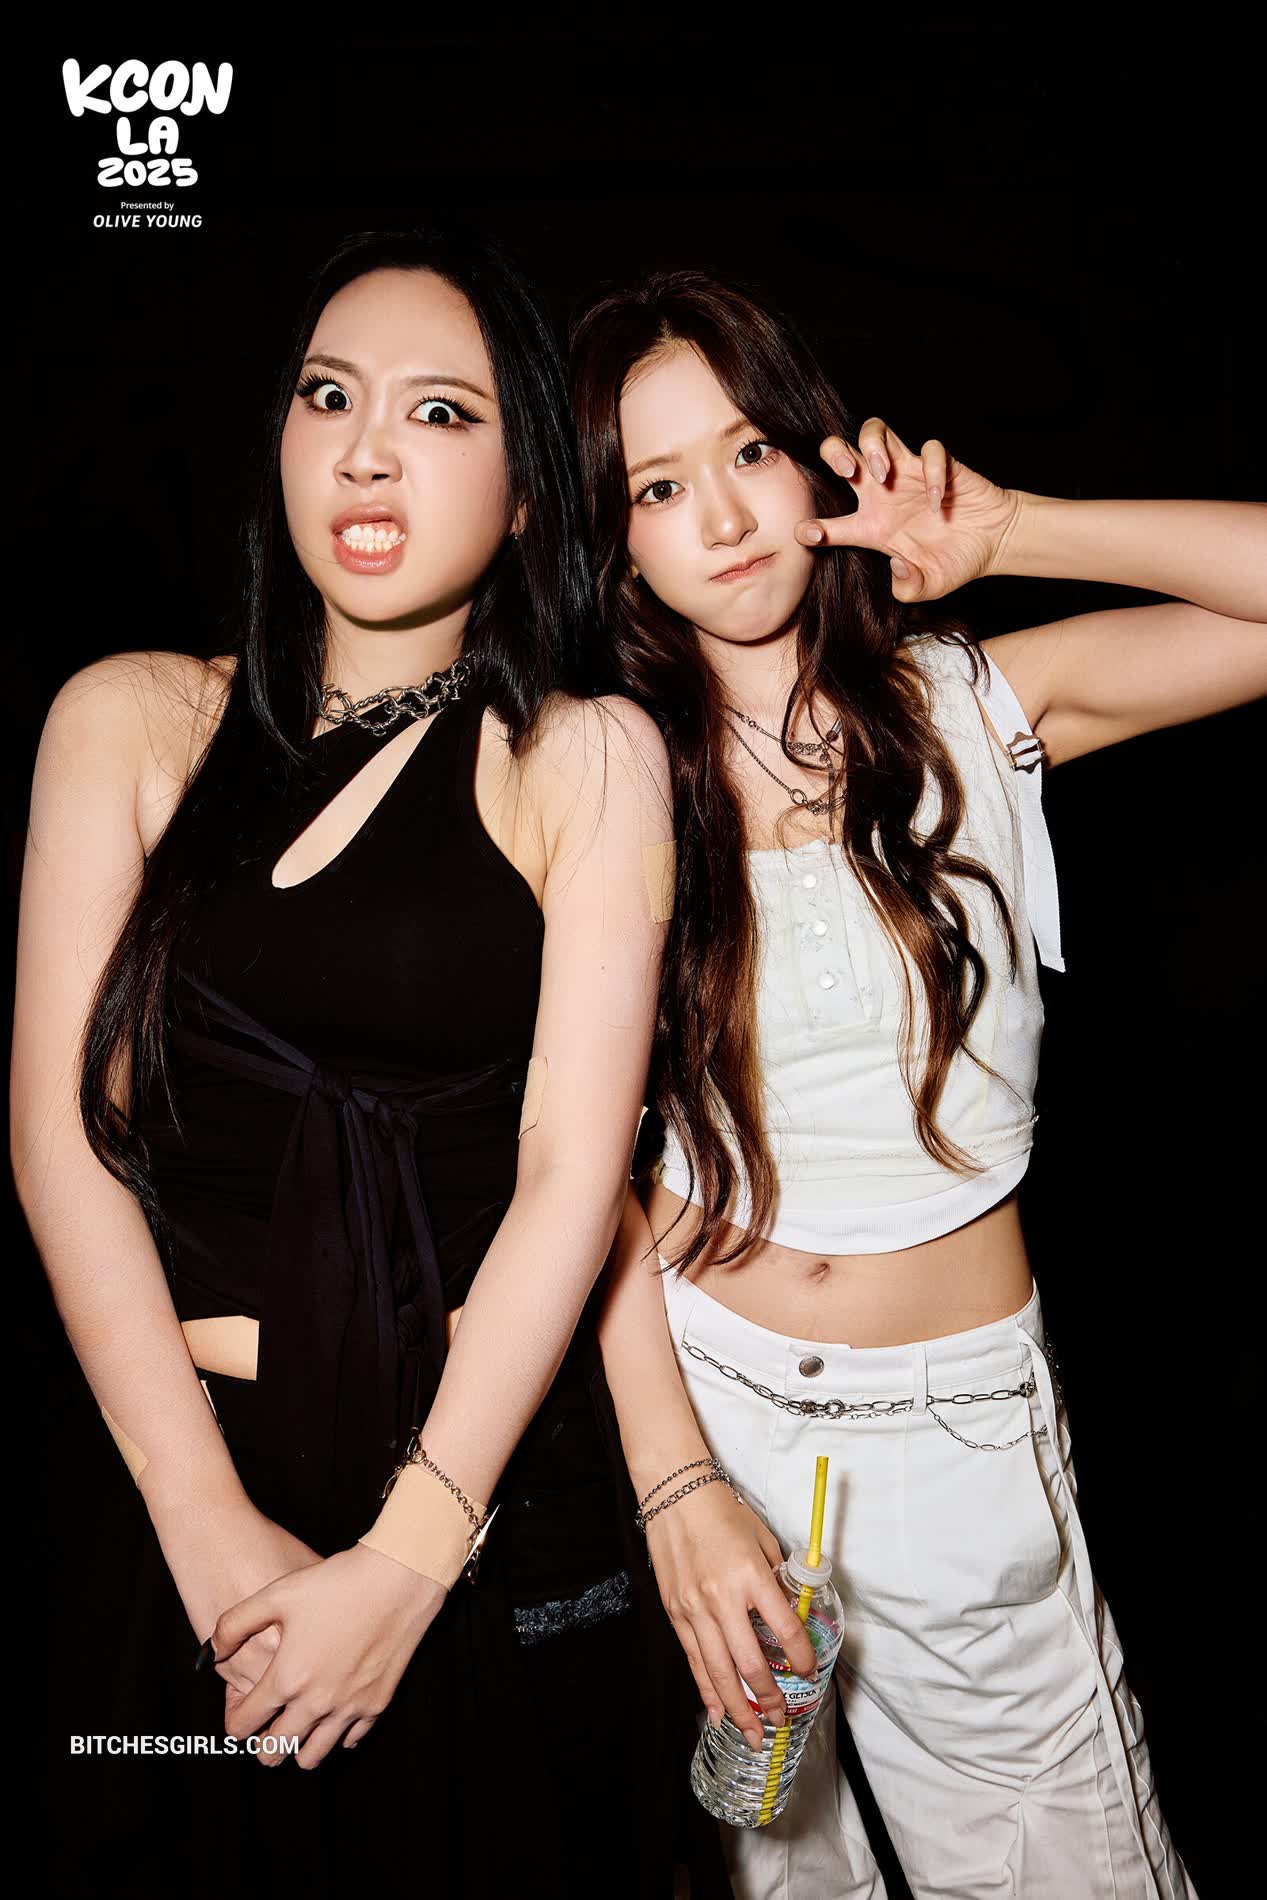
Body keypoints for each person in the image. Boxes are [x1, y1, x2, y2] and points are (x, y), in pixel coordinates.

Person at [15, 229, 720, 1899]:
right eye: (330, 396)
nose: (368, 450)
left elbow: (574, 1180)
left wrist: (407, 1563)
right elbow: (60, 1142)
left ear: (532, 493)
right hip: (171, 1489)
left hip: (484, 1507)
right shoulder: (128, 720)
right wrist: (205, 1528)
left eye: (442, 411)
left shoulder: (586, 758)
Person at [570, 268, 1265, 1899]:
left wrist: (1016, 531)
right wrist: (675, 1485)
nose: (721, 516)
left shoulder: (972, 707)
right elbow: (571, 1167)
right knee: (781, 1875)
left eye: (748, 451)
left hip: (957, 1430)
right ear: (615, 543)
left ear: (812, 454)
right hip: (713, 1402)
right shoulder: (595, 774)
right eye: (658, 487)